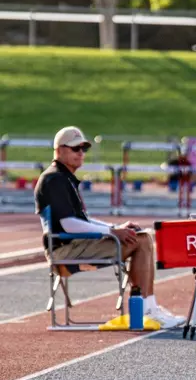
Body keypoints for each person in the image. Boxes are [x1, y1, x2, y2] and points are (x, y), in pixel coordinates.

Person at [35, 127, 185, 328]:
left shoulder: (63, 178)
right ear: (59, 150)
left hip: (75, 244)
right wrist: (113, 232)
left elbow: (83, 220)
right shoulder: (54, 179)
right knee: (139, 240)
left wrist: (116, 227)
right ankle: (146, 310)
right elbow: (68, 224)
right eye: (75, 148)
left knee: (143, 236)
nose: (81, 153)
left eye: (83, 148)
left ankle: (149, 307)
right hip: (64, 249)